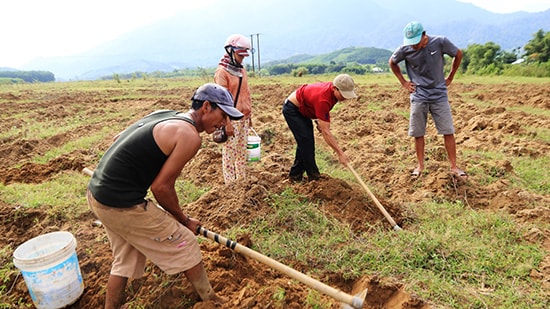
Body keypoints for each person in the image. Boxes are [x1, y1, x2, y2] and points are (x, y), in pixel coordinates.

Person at [86, 83, 243, 309]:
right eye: (223, 115)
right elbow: (161, 187)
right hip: (120, 204)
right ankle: (212, 301)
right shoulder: (189, 136)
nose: (224, 124)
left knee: (126, 258)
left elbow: (118, 138)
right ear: (207, 107)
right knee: (186, 242)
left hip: (97, 194)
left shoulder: (167, 115)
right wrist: (184, 220)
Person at [388, 21, 467, 179]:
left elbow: (458, 54)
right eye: (411, 44)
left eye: (416, 43)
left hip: (439, 93)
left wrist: (450, 76)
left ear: (424, 36)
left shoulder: (440, 42)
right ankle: (420, 166)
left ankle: (454, 166)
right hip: (418, 94)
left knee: (448, 130)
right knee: (418, 132)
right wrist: (403, 82)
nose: (414, 47)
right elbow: (392, 62)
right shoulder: (405, 49)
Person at [282, 74, 357, 182]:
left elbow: (315, 104)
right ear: (335, 88)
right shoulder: (324, 99)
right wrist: (340, 153)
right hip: (293, 110)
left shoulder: (332, 94)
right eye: (343, 95)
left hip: (304, 109)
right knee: (306, 142)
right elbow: (326, 132)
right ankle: (314, 177)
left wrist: (319, 120)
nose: (345, 98)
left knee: (305, 142)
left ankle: (295, 176)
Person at [214, 33, 253, 184]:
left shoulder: (242, 70)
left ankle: (241, 182)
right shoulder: (222, 72)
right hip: (231, 120)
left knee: (242, 154)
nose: (242, 58)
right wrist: (227, 123)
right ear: (230, 51)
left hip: (243, 118)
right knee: (230, 155)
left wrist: (249, 117)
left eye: (244, 56)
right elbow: (221, 101)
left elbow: (246, 94)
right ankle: (230, 185)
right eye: (240, 55)